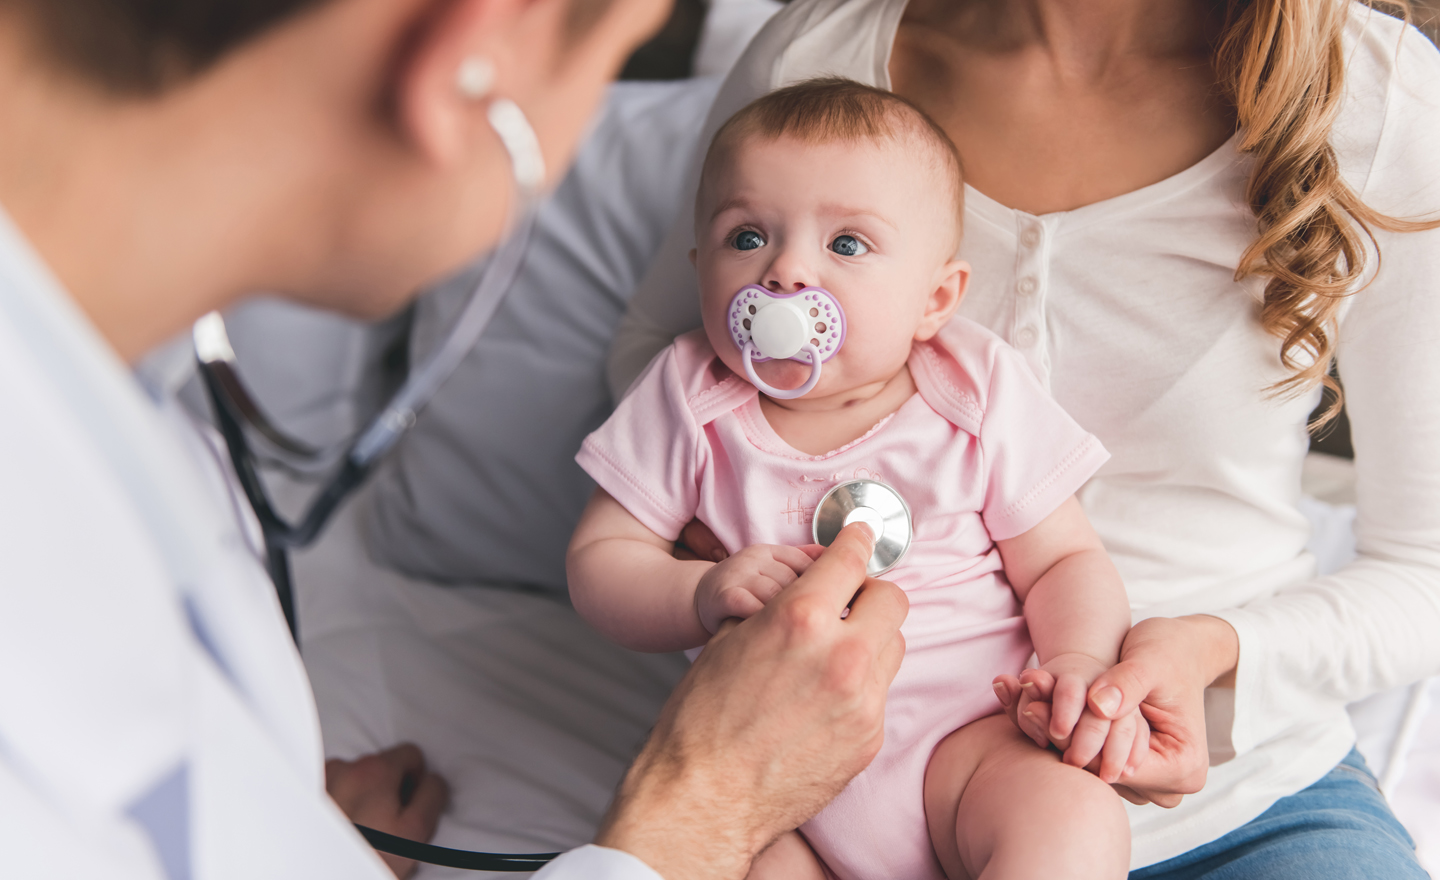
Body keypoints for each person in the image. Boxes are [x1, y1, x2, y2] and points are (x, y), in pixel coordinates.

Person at [0, 1, 910, 879]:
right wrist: (704, 804)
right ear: (468, 60)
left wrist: (280, 844)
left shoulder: (126, 406)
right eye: (606, 64)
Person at [606, 0, 1440, 877]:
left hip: (1242, 802)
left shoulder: (1374, 102)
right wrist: (717, 550)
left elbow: (1427, 571)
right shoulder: (821, 55)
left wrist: (1211, 652)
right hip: (808, 789)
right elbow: (657, 355)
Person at [569, 78, 1141, 880]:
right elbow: (602, 560)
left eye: (846, 245)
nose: (786, 273)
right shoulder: (689, 398)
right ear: (700, 269)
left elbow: (1062, 561)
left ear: (934, 299)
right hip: (771, 781)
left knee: (1070, 815)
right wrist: (698, 592)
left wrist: (1077, 662)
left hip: (972, 742)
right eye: (746, 238)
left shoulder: (973, 389)